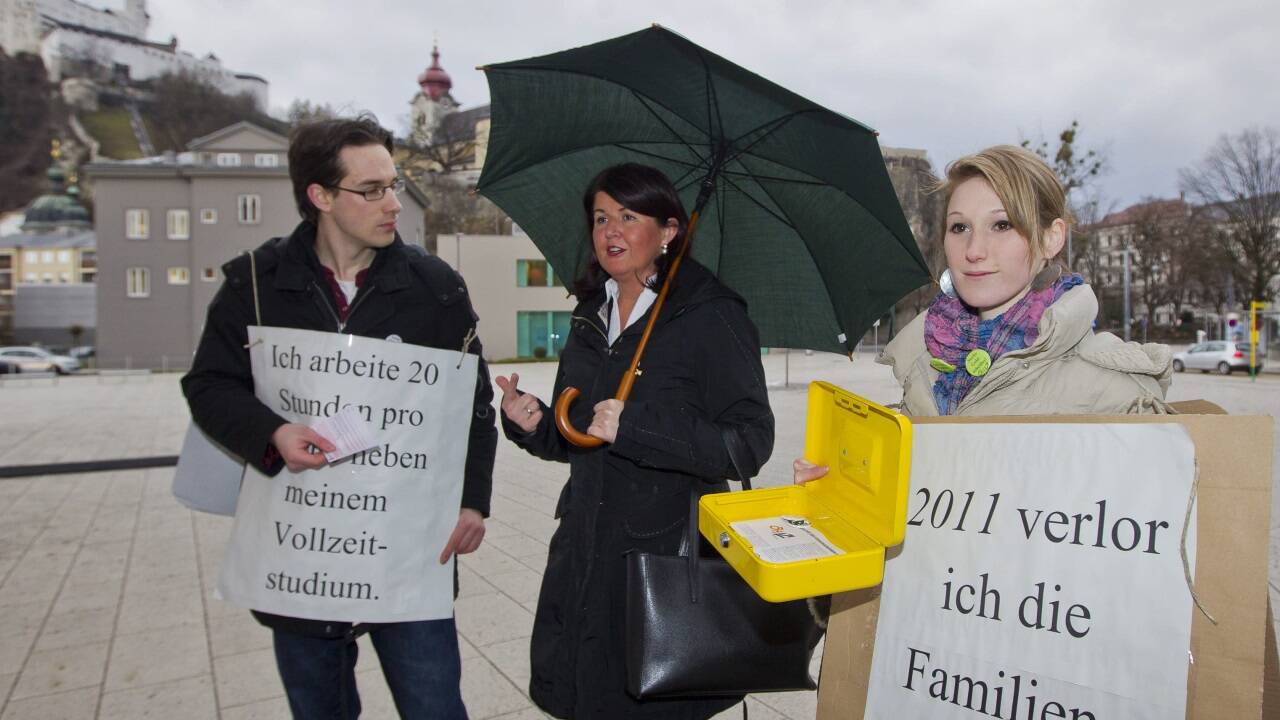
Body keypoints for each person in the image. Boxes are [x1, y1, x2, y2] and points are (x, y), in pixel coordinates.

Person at [182, 115, 497, 719]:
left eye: (394, 185)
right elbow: (208, 384)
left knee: (435, 707)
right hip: (302, 556)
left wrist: (473, 502)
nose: (393, 204)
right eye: (372, 190)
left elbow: (474, 409)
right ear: (320, 197)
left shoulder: (436, 287)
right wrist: (272, 432)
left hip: (407, 555)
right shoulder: (255, 282)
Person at [494, 163, 774, 719]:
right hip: (584, 553)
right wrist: (531, 423)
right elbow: (578, 435)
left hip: (663, 563)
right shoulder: (588, 316)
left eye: (628, 216)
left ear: (669, 231)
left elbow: (748, 443)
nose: (610, 231)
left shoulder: (710, 315)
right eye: (600, 218)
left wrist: (637, 427)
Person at [796, 144, 1171, 483]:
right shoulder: (923, 362)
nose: (973, 250)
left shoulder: (1117, 389)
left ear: (1051, 237)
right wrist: (839, 488)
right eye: (960, 227)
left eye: (1002, 225)